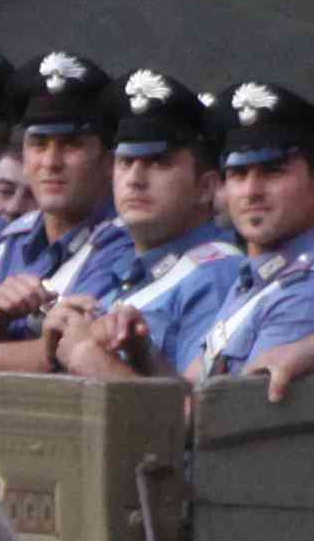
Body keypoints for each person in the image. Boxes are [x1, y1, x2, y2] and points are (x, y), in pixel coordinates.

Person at [44, 68, 250, 380]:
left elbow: (197, 415)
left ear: (205, 187)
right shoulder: (121, 261)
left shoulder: (217, 274)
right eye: (126, 163)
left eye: (159, 163)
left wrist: (94, 362)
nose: (135, 180)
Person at [0, 54, 125, 358]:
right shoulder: (9, 243)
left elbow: (66, 360)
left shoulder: (123, 246)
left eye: (71, 144)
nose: (51, 162)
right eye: (39, 144)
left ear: (108, 161)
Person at [176, 83, 314, 381]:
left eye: (273, 171)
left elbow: (232, 420)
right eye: (239, 174)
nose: (252, 192)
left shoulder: (313, 287)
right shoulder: (258, 277)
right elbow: (190, 393)